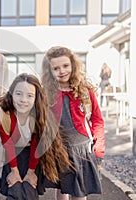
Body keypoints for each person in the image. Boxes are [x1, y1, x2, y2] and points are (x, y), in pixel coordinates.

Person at [41, 46, 105, 200]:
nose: (62, 71)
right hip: (58, 149)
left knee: (79, 191)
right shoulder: (46, 93)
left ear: (73, 65)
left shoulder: (84, 91)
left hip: (82, 149)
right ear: (49, 71)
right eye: (56, 68)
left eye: (65, 66)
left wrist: (99, 151)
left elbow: (97, 121)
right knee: (63, 189)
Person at [0, 73, 71, 200]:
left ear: (36, 98)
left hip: (32, 156)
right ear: (11, 93)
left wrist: (31, 172)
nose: (23, 99)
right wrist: (14, 172)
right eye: (18, 94)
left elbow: (36, 145)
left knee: (29, 189)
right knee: (15, 189)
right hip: (13, 155)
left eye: (29, 95)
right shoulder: (3, 115)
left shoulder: (38, 115)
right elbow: (8, 144)